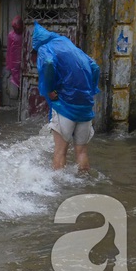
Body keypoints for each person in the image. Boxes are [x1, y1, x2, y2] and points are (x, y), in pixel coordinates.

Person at [31, 21, 100, 172]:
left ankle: (59, 192)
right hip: (85, 107)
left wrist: (49, 89)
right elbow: (94, 66)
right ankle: (84, 188)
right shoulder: (68, 44)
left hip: (65, 106)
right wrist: (91, 89)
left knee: (60, 151)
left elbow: (48, 63)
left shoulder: (45, 48)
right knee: (81, 152)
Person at [6, 15, 23, 89]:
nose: (16, 31)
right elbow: (9, 50)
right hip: (15, 61)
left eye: (18, 29)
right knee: (17, 78)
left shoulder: (26, 33)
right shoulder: (11, 35)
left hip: (25, 59)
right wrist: (9, 64)